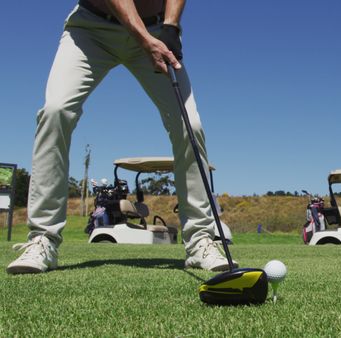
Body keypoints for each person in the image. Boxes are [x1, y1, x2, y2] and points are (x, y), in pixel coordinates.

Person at [7, 0, 237, 274]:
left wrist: (171, 26)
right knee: (56, 112)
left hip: (155, 30)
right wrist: (143, 37)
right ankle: (43, 238)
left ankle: (200, 241)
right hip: (92, 29)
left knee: (190, 126)